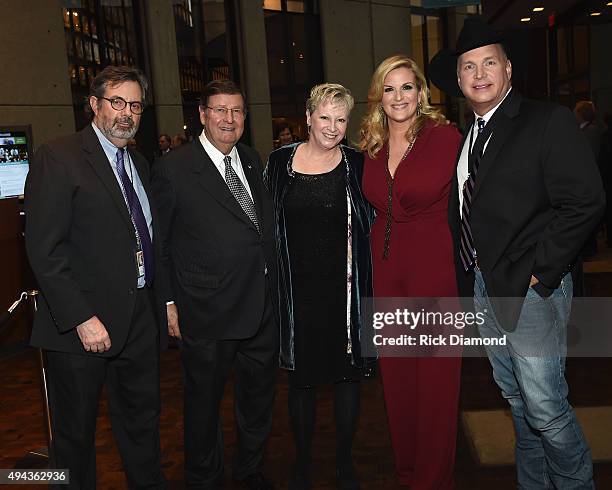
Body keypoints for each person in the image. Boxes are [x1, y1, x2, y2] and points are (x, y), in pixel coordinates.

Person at [430, 16, 605, 488]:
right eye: (469, 66)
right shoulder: (470, 136)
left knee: (546, 407)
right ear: (460, 80)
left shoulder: (546, 121)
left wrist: (539, 272)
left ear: (509, 70)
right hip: (485, 286)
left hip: (530, 291)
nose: (480, 73)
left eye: (490, 62)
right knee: (518, 403)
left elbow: (586, 201)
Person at [24, 65, 167, 489]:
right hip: (80, 326)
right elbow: (44, 251)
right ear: (93, 105)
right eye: (117, 102)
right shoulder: (59, 156)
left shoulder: (139, 162)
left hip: (138, 317)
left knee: (143, 426)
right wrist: (82, 318)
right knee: (75, 438)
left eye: (135, 105)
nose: (127, 113)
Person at [151, 79, 278, 490]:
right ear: (203, 115)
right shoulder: (173, 167)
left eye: (237, 111)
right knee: (203, 405)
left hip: (261, 306)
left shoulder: (253, 158)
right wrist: (168, 301)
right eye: (220, 110)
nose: (229, 118)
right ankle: (203, 479)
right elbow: (162, 243)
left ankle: (250, 469)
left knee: (257, 399)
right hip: (205, 310)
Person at [359, 55, 463, 489]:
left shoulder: (446, 138)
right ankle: (408, 472)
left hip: (432, 265)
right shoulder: (372, 144)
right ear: (379, 96)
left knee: (435, 379)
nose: (398, 96)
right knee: (398, 377)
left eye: (407, 87)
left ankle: (432, 479)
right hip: (385, 269)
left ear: (421, 92)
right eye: (389, 88)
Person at [265, 84, 373, 490]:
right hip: (297, 295)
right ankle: (304, 461)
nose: (332, 127)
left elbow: (375, 222)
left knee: (347, 378)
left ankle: (345, 459)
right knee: (301, 381)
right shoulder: (279, 163)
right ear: (308, 118)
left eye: (341, 119)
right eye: (325, 117)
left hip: (344, 294)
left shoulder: (357, 164)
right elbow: (263, 227)